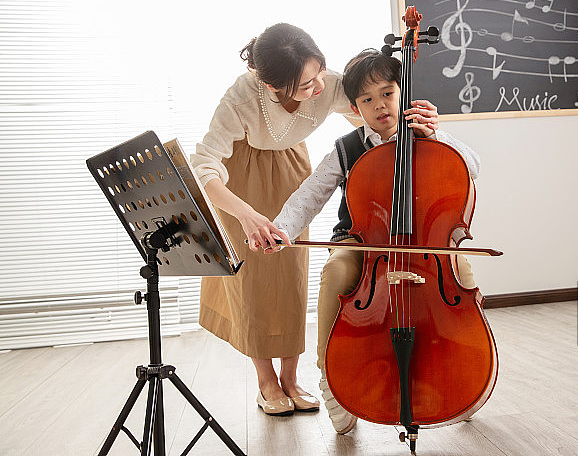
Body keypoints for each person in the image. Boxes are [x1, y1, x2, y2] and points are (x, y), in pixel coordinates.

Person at [263, 49, 480, 433]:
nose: (379, 105)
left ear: (403, 92)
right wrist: (281, 229)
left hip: (425, 244)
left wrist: (438, 135)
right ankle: (330, 375)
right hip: (361, 240)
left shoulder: (426, 136)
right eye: (367, 99)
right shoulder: (346, 148)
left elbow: (472, 167)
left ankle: (467, 368)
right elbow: (310, 195)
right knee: (335, 272)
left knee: (461, 268)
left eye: (387, 93)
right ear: (354, 106)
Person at [190, 23, 361, 417]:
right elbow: (204, 166)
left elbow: (367, 111)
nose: (319, 87)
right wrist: (245, 214)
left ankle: (291, 378)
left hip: (290, 169)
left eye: (320, 72)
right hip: (241, 179)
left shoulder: (326, 83)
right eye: (306, 84)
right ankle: (266, 380)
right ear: (272, 87)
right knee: (254, 279)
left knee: (291, 276)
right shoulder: (240, 99)